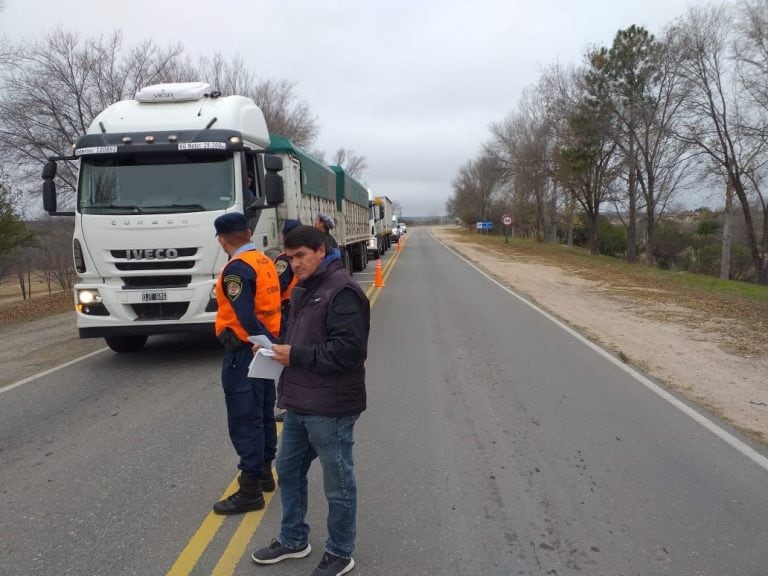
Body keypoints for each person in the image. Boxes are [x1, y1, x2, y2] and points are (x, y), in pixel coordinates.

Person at [251, 225, 370, 576]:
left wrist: (296, 355)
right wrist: (274, 351)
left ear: (320, 250)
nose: (294, 263)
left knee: (338, 482)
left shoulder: (342, 291)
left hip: (332, 407)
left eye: (300, 256)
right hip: (301, 401)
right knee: (287, 469)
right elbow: (301, 337)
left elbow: (349, 351)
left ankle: (340, 551)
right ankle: (293, 539)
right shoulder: (307, 286)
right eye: (289, 257)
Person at [212, 212, 282, 515]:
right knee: (264, 412)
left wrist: (265, 346)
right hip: (264, 349)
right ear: (250, 232)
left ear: (221, 240)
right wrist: (273, 347)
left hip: (245, 351)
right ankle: (266, 473)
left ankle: (250, 489)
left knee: (244, 418)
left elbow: (245, 316)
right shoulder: (265, 261)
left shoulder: (236, 270)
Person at [273, 218, 302, 424]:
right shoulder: (307, 257)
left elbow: (277, 286)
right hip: (299, 308)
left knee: (286, 359)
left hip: (288, 310)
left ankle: (288, 405)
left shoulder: (285, 259)